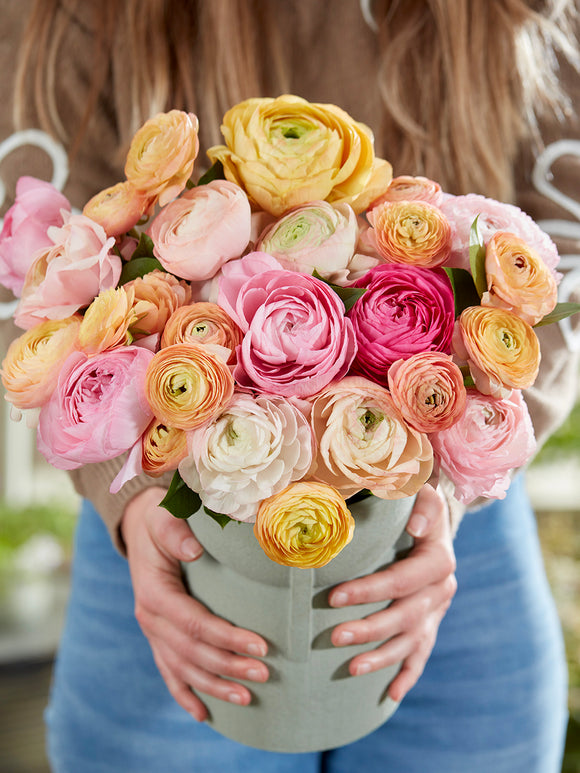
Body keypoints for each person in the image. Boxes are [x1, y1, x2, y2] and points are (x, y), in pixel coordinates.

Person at [1, 1, 579, 770]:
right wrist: (130, 498)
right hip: (169, 541)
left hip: (443, 543)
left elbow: (561, 250)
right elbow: (34, 261)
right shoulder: (82, 13)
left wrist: (452, 481)